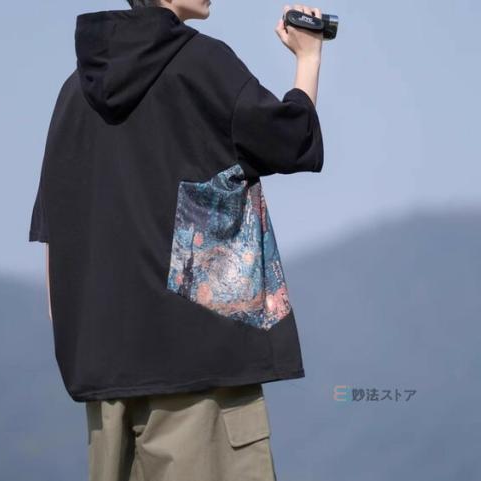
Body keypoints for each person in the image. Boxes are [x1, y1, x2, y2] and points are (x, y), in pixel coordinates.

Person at [29, 1, 325, 479]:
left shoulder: (73, 93)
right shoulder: (202, 64)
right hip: (199, 377)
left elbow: (55, 244)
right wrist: (308, 57)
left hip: (107, 389)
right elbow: (291, 140)